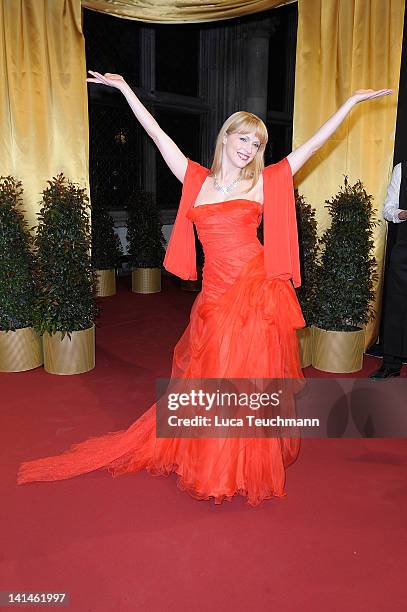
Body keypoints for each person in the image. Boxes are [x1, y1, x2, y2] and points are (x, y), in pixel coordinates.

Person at [17, 72, 392, 505]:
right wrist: (124, 91)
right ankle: (212, 453)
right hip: (215, 293)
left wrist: (350, 102)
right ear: (227, 135)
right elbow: (156, 134)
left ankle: (237, 463)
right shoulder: (195, 179)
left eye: (257, 143)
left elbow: (311, 146)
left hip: (255, 289)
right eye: (244, 138)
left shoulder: (265, 181)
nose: (249, 148)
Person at [370, 162, 407, 379]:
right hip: (404, 250)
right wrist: (403, 214)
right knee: (396, 307)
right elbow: (388, 209)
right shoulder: (402, 169)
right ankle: (391, 364)